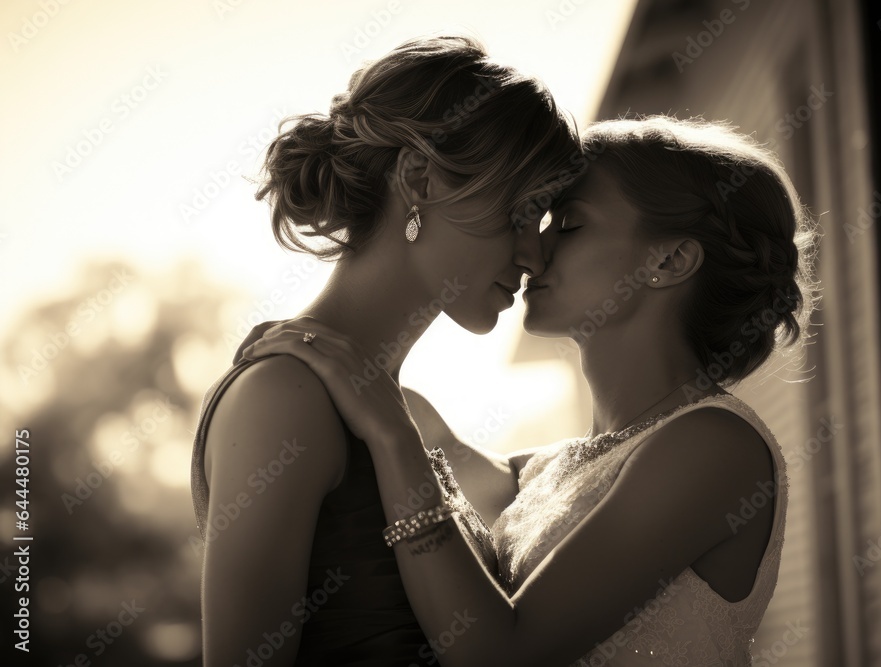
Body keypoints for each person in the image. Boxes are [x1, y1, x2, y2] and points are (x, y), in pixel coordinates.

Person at [242, 115, 819, 666]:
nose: (531, 251)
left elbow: (497, 654)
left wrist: (391, 433)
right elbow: (445, 450)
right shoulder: (548, 472)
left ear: (669, 259)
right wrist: (335, 360)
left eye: (567, 224)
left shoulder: (715, 447)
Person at [189, 35, 583, 666]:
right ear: (419, 178)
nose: (535, 256)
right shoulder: (283, 398)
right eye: (519, 214)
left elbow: (559, 481)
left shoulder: (401, 412)